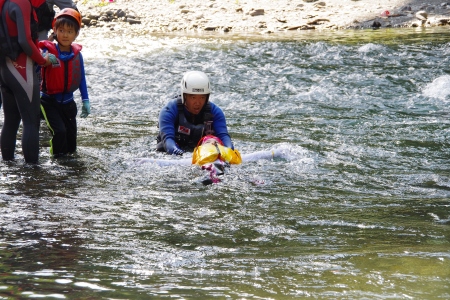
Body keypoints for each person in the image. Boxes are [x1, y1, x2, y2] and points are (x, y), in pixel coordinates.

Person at [0, 0, 52, 164]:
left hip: (5, 70)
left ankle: (9, 167)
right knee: (31, 121)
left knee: (10, 121)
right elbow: (25, 41)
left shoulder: (7, 2)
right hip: (22, 70)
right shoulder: (22, 3)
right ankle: (33, 175)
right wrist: (42, 60)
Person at [39, 8, 90, 158]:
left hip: (68, 104)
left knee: (71, 142)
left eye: (69, 31)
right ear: (55, 31)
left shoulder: (77, 55)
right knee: (59, 132)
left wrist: (85, 100)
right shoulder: (48, 52)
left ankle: (70, 169)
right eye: (61, 30)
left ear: (76, 34)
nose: (65, 35)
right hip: (49, 102)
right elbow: (39, 62)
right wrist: (45, 60)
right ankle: (55, 159)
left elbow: (81, 78)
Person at [156, 71, 235, 155]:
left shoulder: (215, 112)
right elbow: (168, 140)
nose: (198, 103)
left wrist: (229, 150)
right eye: (193, 97)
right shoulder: (169, 111)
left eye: (202, 97)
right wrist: (180, 154)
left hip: (201, 151)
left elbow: (224, 136)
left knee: (213, 141)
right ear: (185, 96)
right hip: (172, 152)